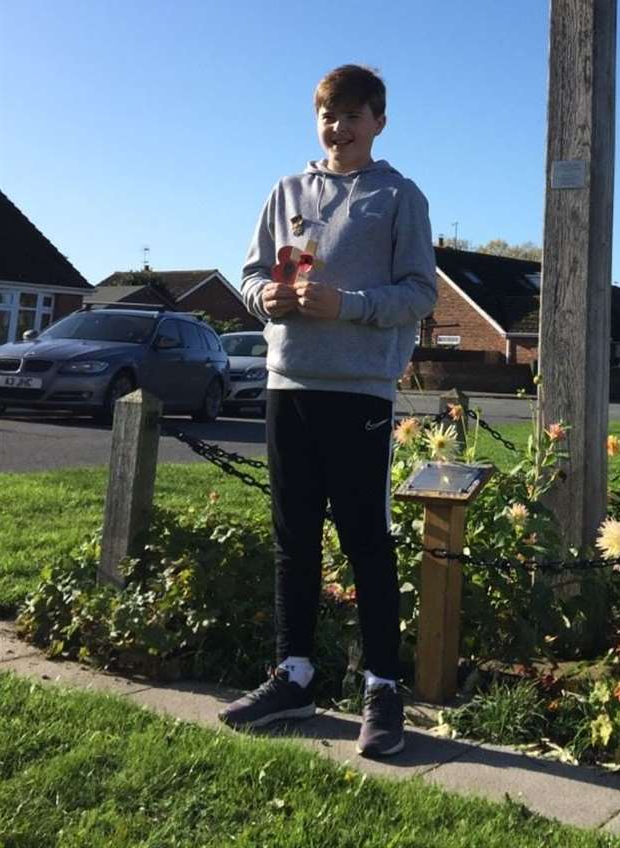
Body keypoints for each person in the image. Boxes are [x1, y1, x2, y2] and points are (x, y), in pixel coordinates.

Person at [220, 64, 437, 757]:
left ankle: (382, 687)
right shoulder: (285, 191)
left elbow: (420, 294)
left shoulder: (399, 197)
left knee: (366, 542)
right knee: (293, 541)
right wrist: (266, 301)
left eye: (351, 116)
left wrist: (349, 306)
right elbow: (251, 276)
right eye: (327, 116)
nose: (337, 128)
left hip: (359, 393)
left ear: (378, 121)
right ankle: (294, 677)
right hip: (289, 386)